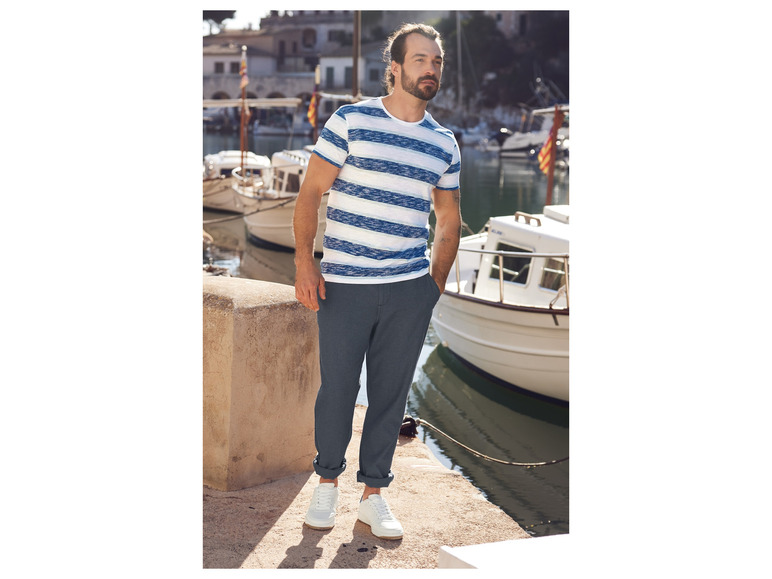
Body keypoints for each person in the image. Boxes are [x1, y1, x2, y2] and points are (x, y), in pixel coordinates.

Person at [292, 22, 461, 541]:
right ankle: (326, 484)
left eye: (436, 62)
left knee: (389, 397)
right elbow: (310, 194)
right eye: (420, 60)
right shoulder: (351, 121)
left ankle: (373, 496)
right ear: (395, 67)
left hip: (409, 287)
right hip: (343, 285)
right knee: (337, 393)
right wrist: (304, 260)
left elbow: (450, 220)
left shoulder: (443, 143)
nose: (430, 69)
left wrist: (431, 286)